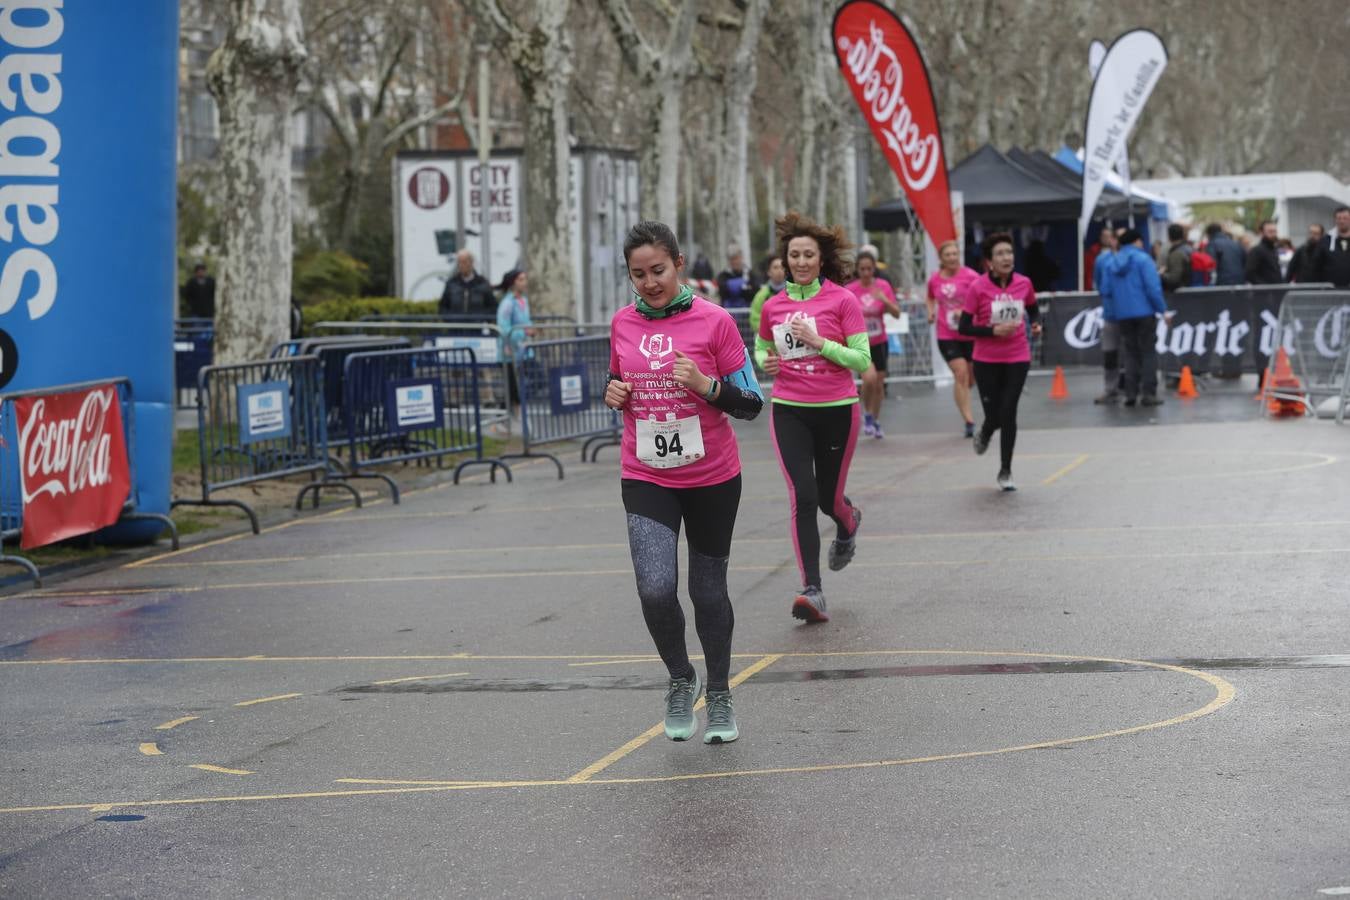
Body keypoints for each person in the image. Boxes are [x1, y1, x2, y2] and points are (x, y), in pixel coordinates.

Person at [604, 221, 764, 744]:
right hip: (646, 471)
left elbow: (750, 404)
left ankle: (718, 691)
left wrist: (706, 385)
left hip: (712, 475)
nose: (649, 283)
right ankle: (680, 677)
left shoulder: (715, 323)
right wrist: (614, 395)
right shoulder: (622, 324)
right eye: (638, 274)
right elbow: (618, 379)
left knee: (707, 590)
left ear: (678, 264)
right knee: (654, 588)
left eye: (658, 270)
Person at [755, 211, 870, 624]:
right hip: (790, 409)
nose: (801, 262)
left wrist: (820, 342)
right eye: (794, 256)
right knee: (803, 496)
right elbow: (762, 345)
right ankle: (813, 590)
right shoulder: (773, 306)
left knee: (828, 500)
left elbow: (862, 358)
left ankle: (848, 521)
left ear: (821, 260)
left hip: (838, 409)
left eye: (808, 255)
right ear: (785, 261)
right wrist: (763, 362)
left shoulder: (843, 300)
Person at [959, 233, 1041, 491]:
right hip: (986, 360)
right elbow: (964, 327)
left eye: (1009, 252)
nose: (1007, 257)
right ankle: (985, 431)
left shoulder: (1024, 283)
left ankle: (1005, 470)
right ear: (989, 262)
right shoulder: (978, 287)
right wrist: (993, 331)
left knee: (1009, 412)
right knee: (994, 414)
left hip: (1018, 356)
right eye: (1000, 254)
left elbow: (1032, 308)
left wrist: (1037, 324)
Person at [1104, 229, 1169, 408]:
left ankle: (1130, 394)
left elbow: (1106, 291)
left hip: (1122, 315)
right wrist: (1163, 310)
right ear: (1137, 242)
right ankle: (1148, 394)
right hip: (1144, 312)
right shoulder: (1144, 260)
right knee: (1148, 352)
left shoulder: (1111, 263)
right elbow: (1153, 288)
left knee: (1130, 353)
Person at [845, 250, 901, 439]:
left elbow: (897, 314)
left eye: (869, 269)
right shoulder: (851, 289)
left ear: (874, 268)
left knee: (878, 384)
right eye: (862, 269)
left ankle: (875, 420)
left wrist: (884, 300)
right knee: (868, 379)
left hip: (879, 341)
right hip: (860, 344)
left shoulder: (883, 286)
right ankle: (867, 413)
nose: (866, 273)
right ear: (857, 270)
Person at [926, 239, 980, 434]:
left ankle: (966, 393)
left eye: (954, 254)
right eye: (947, 254)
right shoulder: (935, 279)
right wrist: (930, 312)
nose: (951, 258)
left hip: (969, 333)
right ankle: (969, 420)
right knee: (960, 372)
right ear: (941, 258)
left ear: (959, 256)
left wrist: (965, 311)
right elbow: (930, 296)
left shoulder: (971, 276)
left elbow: (982, 300)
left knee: (971, 377)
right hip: (946, 333)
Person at [1092, 227, 1123, 405]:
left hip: (1127, 314)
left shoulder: (1133, 258)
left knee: (1129, 353)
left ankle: (1130, 387)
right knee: (1110, 352)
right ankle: (1111, 388)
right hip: (1111, 313)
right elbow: (1098, 282)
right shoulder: (1102, 259)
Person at [496, 268, 534, 405]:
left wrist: (531, 329)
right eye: (521, 279)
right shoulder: (507, 303)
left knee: (520, 394)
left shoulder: (523, 300)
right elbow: (504, 328)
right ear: (513, 283)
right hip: (508, 355)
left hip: (522, 353)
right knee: (513, 396)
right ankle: (502, 423)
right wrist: (524, 332)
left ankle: (511, 423)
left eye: (525, 279)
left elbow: (525, 321)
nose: (524, 282)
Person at [439, 249, 496, 319]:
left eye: (464, 262)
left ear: (471, 262)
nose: (461, 265)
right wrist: (451, 319)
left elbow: (493, 307)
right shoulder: (451, 284)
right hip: (455, 328)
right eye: (459, 262)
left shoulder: (483, 283)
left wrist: (480, 319)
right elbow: (443, 307)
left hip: (477, 328)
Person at [748, 256, 786, 335]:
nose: (779, 271)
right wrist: (769, 331)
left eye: (782, 267)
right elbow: (754, 319)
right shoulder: (761, 295)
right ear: (769, 272)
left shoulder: (791, 292)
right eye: (775, 267)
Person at [1244, 220, 1283, 285]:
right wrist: (1264, 287)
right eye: (1270, 232)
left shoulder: (1274, 250)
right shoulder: (1256, 251)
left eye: (1275, 231)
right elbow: (1249, 274)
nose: (1274, 234)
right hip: (1264, 293)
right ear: (1261, 233)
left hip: (1276, 292)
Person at [1160, 224, 1193, 295]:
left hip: (1182, 294)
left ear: (1169, 237)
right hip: (1190, 289)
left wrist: (1161, 274)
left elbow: (1174, 278)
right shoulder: (1189, 248)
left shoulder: (1176, 253)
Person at [1323, 207, 1350, 288]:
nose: (1342, 221)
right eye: (1339, 218)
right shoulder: (1325, 241)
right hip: (1331, 290)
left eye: (1345, 218)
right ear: (1335, 220)